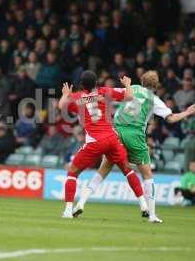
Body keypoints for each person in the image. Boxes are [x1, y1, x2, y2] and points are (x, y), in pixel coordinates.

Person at [79, 71, 195, 223]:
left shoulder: (132, 88)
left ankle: (81, 202)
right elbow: (171, 118)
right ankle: (152, 215)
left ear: (141, 81)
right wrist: (187, 112)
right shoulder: (154, 99)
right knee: (147, 175)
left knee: (104, 169)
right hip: (135, 135)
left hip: (117, 132)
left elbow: (111, 96)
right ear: (156, 85)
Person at [59, 70, 147, 219]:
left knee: (72, 172)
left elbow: (62, 106)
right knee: (128, 170)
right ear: (97, 83)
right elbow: (130, 96)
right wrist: (128, 84)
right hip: (112, 138)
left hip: (95, 141)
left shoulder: (77, 97)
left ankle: (68, 211)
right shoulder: (104, 91)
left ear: (82, 84)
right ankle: (144, 205)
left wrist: (65, 94)